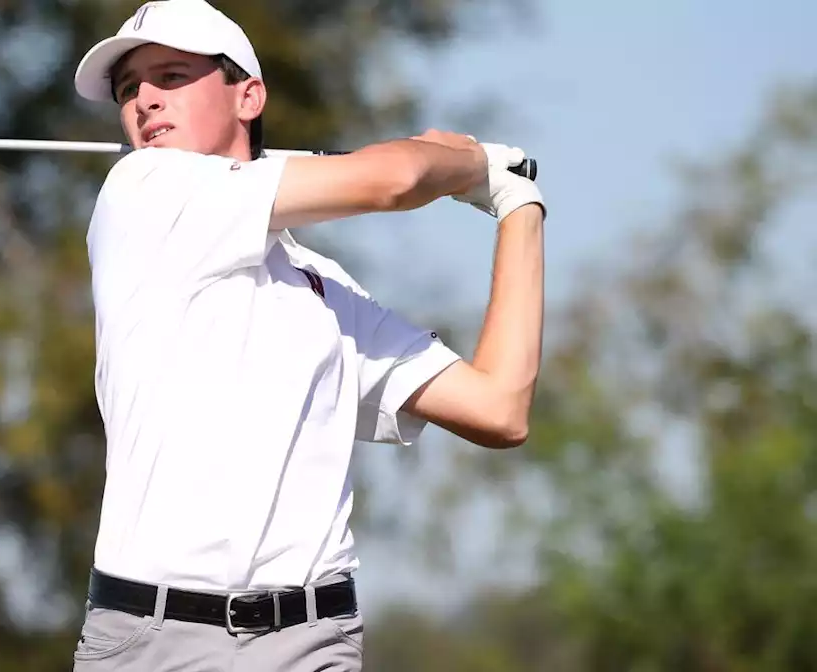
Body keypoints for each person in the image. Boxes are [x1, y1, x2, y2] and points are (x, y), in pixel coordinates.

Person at [69, 1, 546, 669]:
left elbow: (499, 408)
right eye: (128, 90)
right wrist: (469, 161)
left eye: (171, 76)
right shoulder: (143, 188)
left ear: (248, 95)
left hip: (313, 642)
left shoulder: (321, 288)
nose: (144, 101)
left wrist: (519, 204)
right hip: (156, 640)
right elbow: (395, 180)